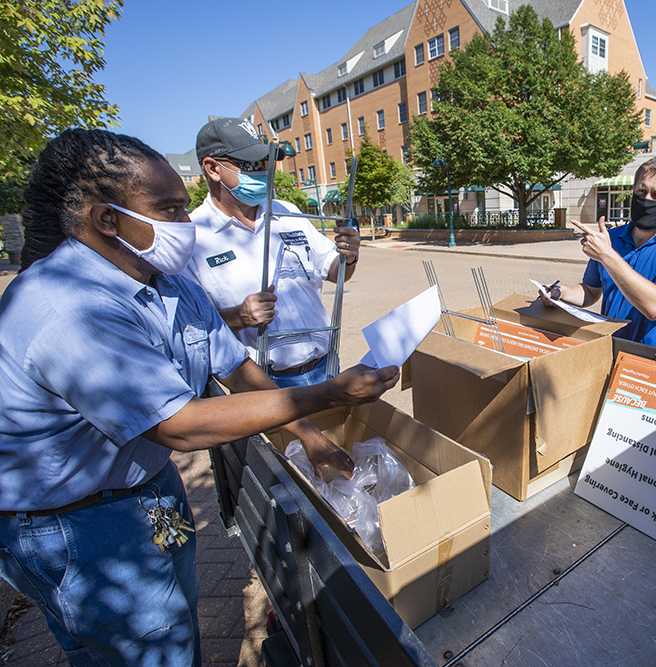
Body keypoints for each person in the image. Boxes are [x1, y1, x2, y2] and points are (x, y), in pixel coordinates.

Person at [0, 128, 399, 666]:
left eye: (184, 209)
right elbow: (178, 425)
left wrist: (311, 438)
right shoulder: (67, 306)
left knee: (175, 636)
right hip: (79, 525)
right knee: (146, 653)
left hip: (149, 490)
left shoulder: (170, 284)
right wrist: (329, 394)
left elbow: (236, 366)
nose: (185, 225)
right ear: (108, 220)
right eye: (168, 211)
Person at [182, 117, 360, 387]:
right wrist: (239, 316)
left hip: (326, 368)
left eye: (266, 163)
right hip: (265, 383)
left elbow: (336, 272)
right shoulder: (193, 238)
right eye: (251, 165)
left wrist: (349, 255)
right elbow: (190, 328)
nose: (264, 172)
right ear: (212, 168)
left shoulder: (287, 212)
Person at [541, 156, 656, 348]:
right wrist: (559, 293)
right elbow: (590, 291)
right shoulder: (611, 237)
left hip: (653, 358)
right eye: (641, 191)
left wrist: (606, 255)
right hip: (609, 347)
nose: (646, 200)